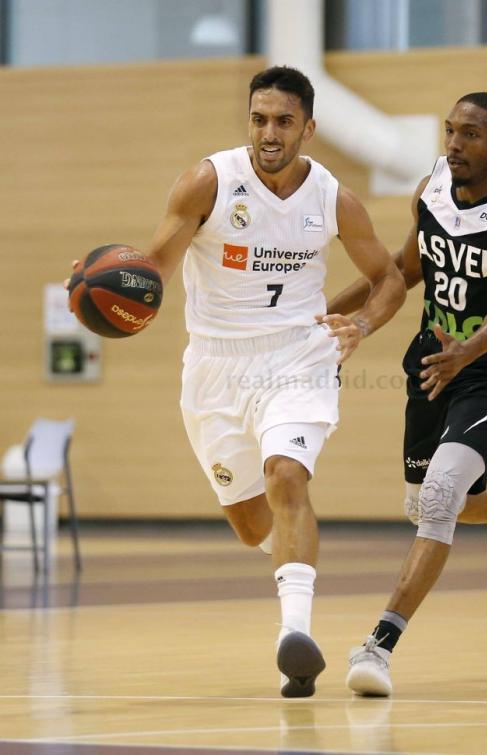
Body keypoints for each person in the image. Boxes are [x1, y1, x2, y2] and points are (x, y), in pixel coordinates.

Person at [67, 66, 405, 697]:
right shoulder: (209, 181)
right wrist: (102, 288)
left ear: (308, 128)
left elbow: (388, 278)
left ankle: (293, 638)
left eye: (283, 121)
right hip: (214, 367)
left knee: (287, 476)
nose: (268, 132)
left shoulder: (333, 199)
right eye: (258, 119)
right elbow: (155, 268)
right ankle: (292, 550)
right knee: (254, 525)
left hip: (298, 357)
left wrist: (361, 324)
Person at [325, 92, 487, 697]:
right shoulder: (433, 188)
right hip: (435, 360)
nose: (454, 145)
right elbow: (405, 270)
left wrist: (469, 350)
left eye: (470, 135)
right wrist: (324, 314)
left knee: (442, 494)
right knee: (427, 504)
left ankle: (377, 647)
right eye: (450, 131)